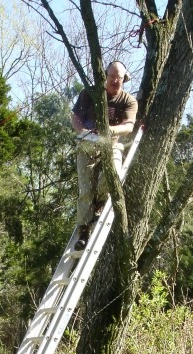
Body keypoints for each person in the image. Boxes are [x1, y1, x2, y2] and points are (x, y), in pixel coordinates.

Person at [71, 61, 138, 250]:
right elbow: (75, 117)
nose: (115, 81)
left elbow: (129, 126)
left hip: (112, 143)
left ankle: (100, 203)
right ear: (105, 76)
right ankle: (83, 229)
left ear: (124, 78)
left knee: (113, 176)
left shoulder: (128, 100)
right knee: (85, 189)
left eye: (119, 78)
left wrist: (111, 130)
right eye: (112, 77)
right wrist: (84, 133)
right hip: (88, 143)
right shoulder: (90, 94)